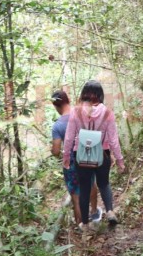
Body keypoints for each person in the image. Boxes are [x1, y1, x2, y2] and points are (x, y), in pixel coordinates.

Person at [62, 80, 125, 231]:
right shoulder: (108, 113)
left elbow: (69, 137)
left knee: (84, 188)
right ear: (100, 95)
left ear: (83, 94)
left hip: (81, 155)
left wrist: (66, 157)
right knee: (104, 183)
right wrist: (120, 160)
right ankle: (109, 211)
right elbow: (113, 139)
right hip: (102, 154)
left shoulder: (75, 112)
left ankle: (84, 223)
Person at [51, 90, 102, 226]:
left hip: (71, 161)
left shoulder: (57, 126)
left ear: (55, 106)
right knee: (91, 184)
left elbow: (55, 151)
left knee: (75, 192)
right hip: (87, 155)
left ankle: (81, 224)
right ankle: (94, 213)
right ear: (68, 100)